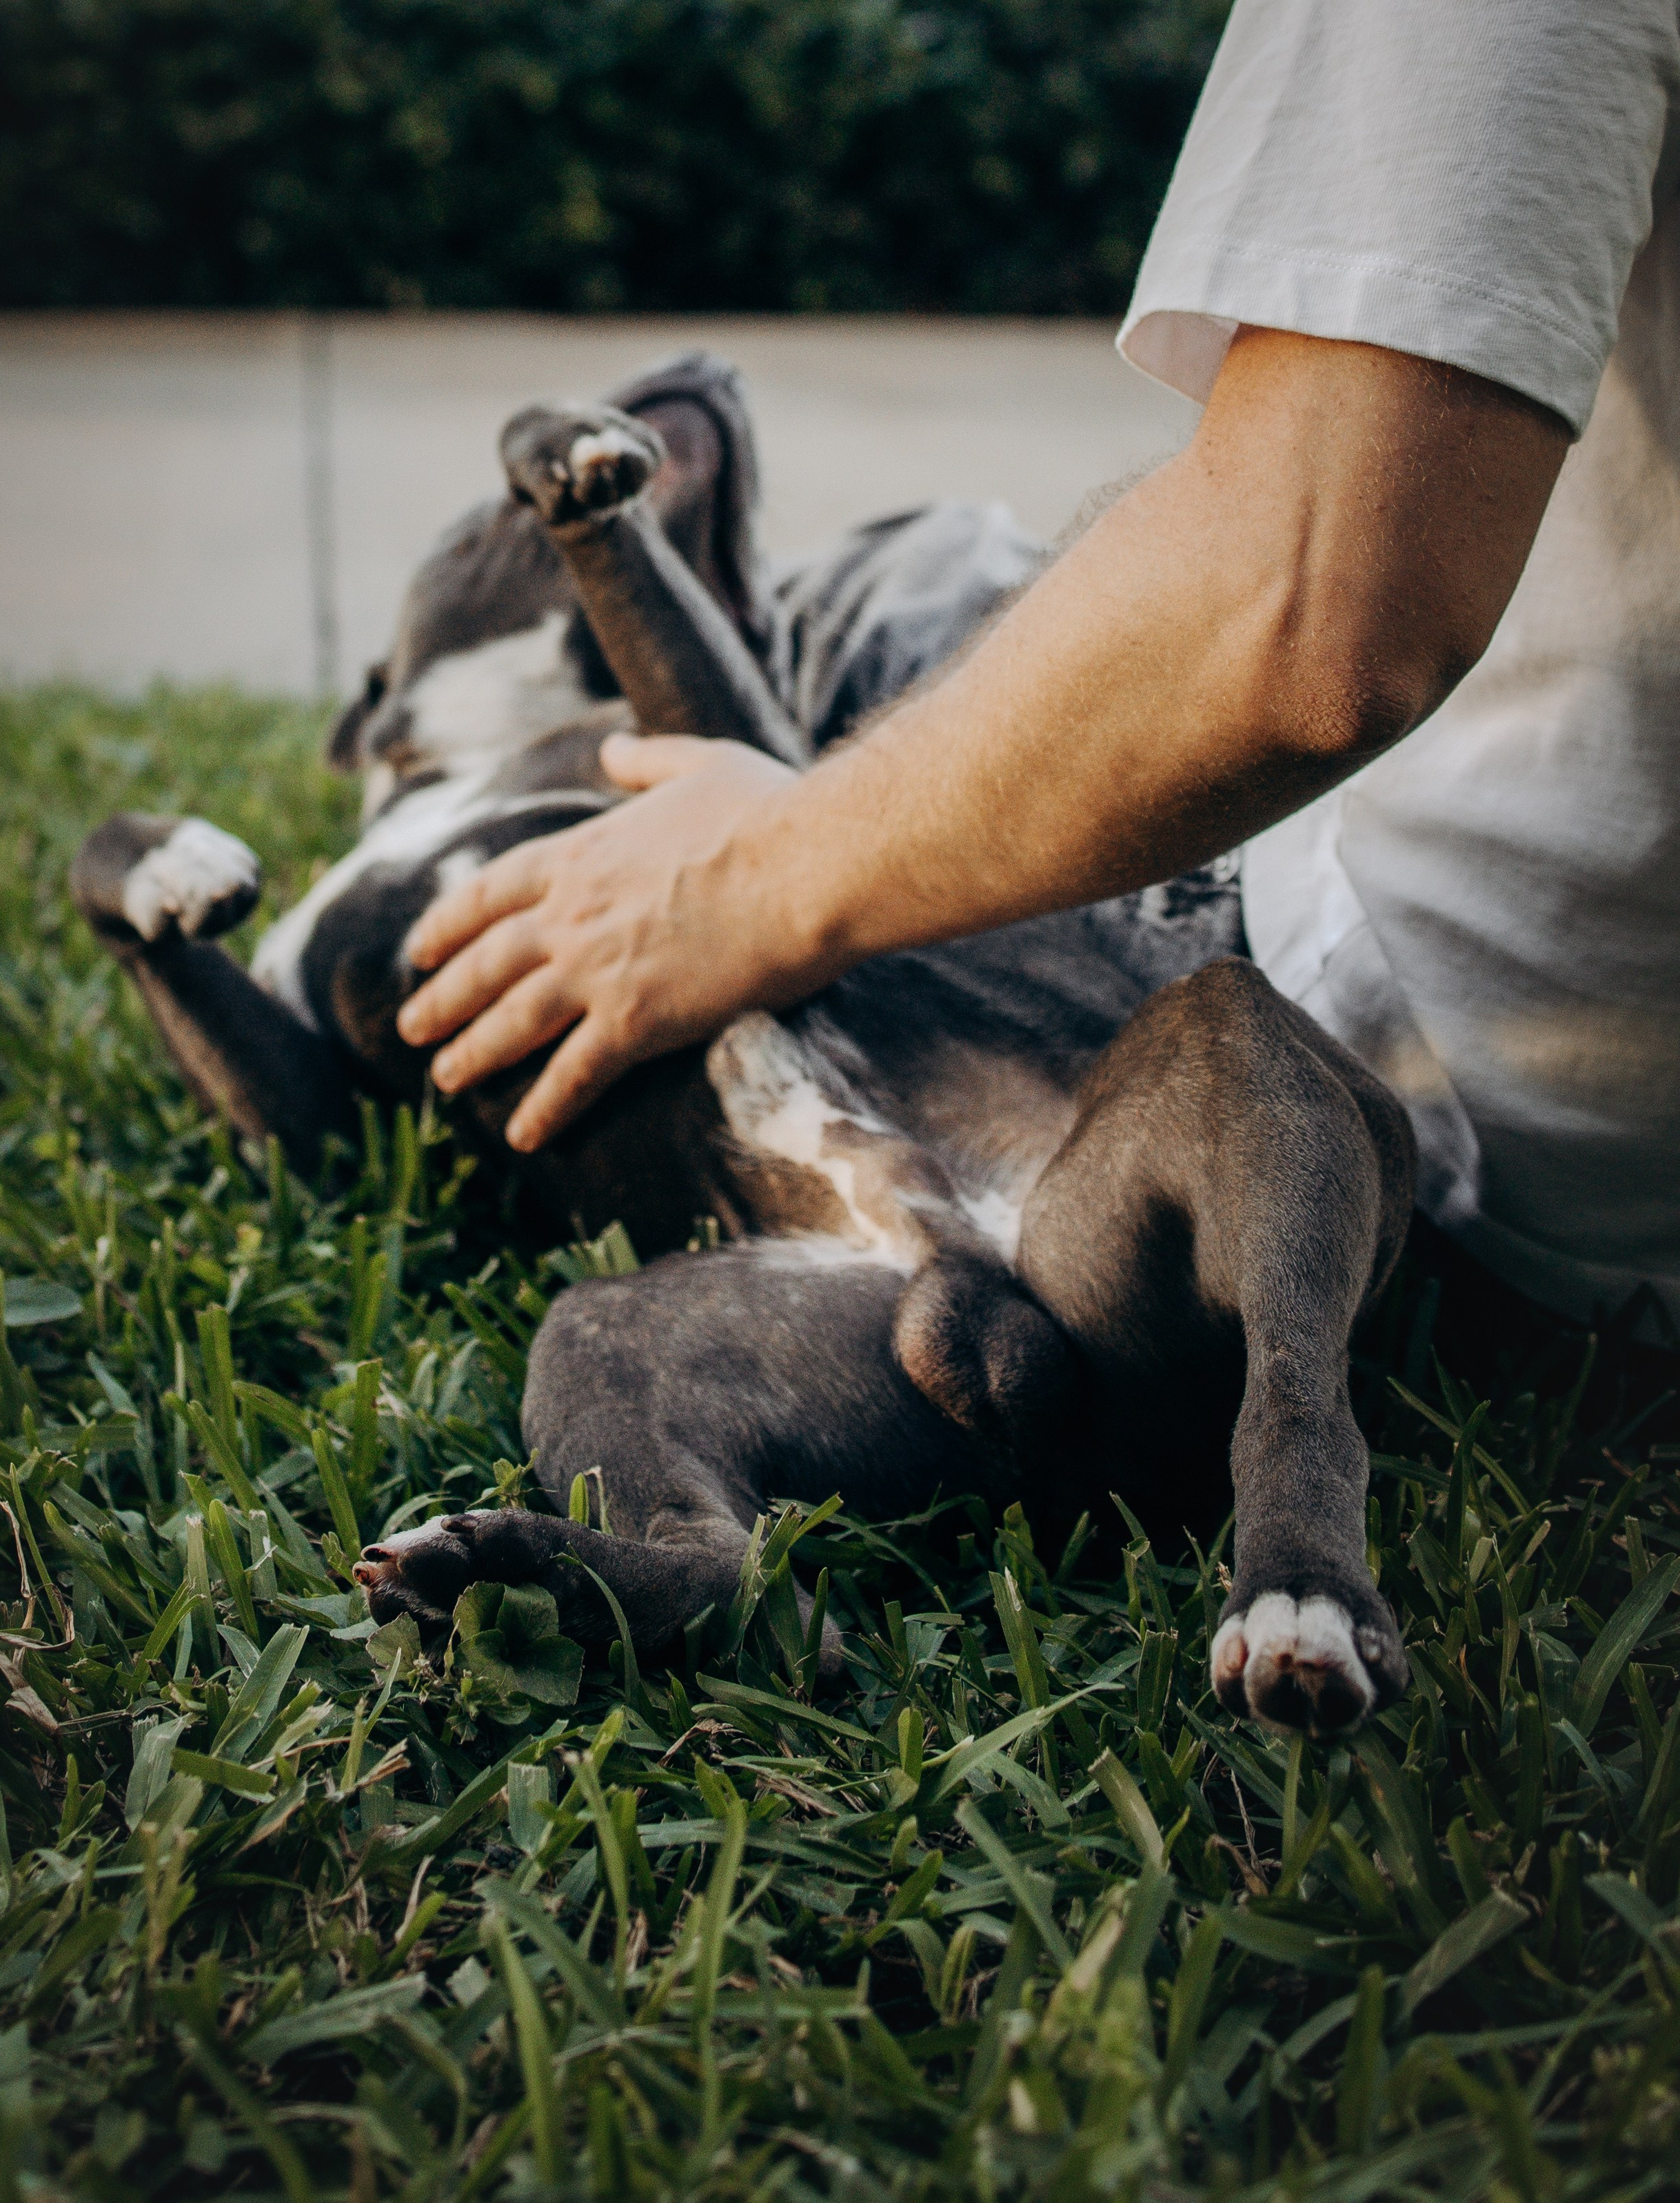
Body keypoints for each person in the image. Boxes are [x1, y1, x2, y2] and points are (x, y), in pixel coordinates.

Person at [396, 0, 1680, 1337]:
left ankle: (606, 689)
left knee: (904, 595)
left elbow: (1300, 615)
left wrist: (742, 877)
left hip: (1471, 1134)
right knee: (966, 571)